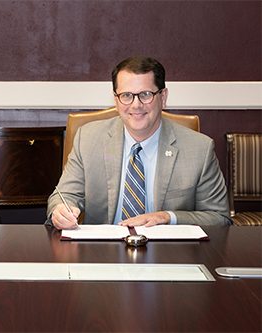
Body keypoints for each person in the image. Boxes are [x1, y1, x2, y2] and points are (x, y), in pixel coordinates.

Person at [47, 56, 231, 229]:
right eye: (126, 95)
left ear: (163, 97)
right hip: (102, 252)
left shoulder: (199, 148)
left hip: (170, 255)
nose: (136, 105)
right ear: (116, 100)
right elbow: (65, 195)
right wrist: (61, 210)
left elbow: (219, 217)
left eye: (145, 94)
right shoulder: (87, 139)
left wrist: (168, 217)